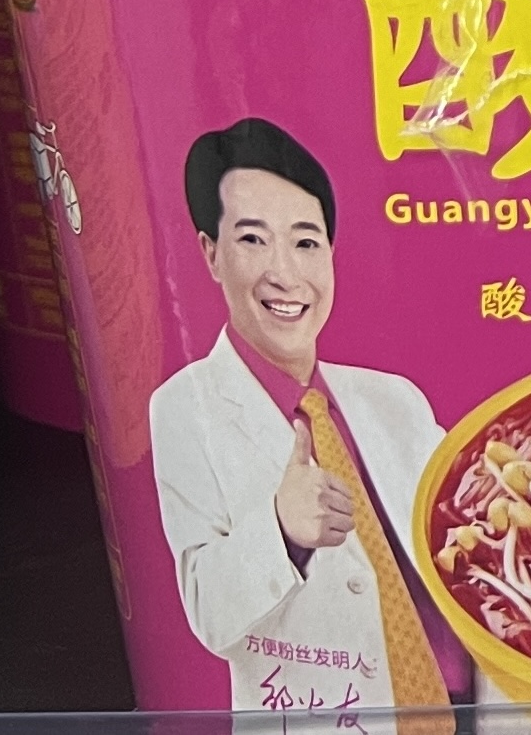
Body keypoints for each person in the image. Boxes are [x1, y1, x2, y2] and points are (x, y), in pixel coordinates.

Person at [146, 120, 463, 727]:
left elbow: (467, 537)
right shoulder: (183, 408)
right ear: (211, 253)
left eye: (306, 243)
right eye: (253, 240)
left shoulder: (394, 399)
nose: (285, 274)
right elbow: (208, 614)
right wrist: (281, 530)